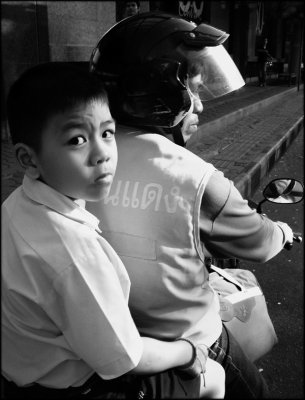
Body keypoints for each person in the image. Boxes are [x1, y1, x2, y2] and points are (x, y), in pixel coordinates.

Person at [88, 12, 294, 399]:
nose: (199, 106)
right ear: (160, 96)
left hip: (104, 335)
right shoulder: (197, 179)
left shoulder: (78, 161)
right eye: (193, 92)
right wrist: (281, 232)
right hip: (187, 340)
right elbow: (259, 244)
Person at [1, 62, 225, 399]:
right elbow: (128, 358)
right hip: (79, 388)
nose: (102, 154)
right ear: (29, 159)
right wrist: (190, 351)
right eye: (77, 139)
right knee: (217, 377)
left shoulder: (16, 205)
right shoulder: (73, 253)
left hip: (22, 369)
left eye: (107, 133)